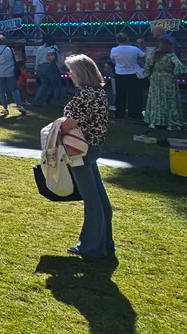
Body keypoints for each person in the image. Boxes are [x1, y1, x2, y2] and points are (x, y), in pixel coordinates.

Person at [60, 54, 114, 259]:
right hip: (93, 146)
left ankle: (91, 246)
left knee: (91, 199)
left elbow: (68, 124)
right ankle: (105, 242)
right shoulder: (98, 92)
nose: (69, 74)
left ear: (81, 73)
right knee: (99, 197)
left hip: (79, 149)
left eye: (71, 70)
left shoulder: (85, 95)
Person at [141, 38, 186, 130]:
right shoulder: (171, 56)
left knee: (155, 100)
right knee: (170, 101)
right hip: (168, 80)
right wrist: (177, 73)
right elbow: (180, 67)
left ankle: (153, 121)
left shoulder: (151, 55)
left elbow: (146, 69)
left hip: (155, 80)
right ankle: (171, 123)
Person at [109, 33, 146, 118]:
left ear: (117, 40)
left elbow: (113, 60)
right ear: (127, 39)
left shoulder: (114, 50)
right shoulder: (134, 49)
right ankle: (135, 113)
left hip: (120, 74)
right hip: (134, 73)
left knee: (120, 94)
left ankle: (120, 113)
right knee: (135, 95)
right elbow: (145, 57)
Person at [0, 35, 27, 116]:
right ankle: (19, 105)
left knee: (2, 91)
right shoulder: (9, 49)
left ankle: (5, 108)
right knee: (14, 89)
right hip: (10, 72)